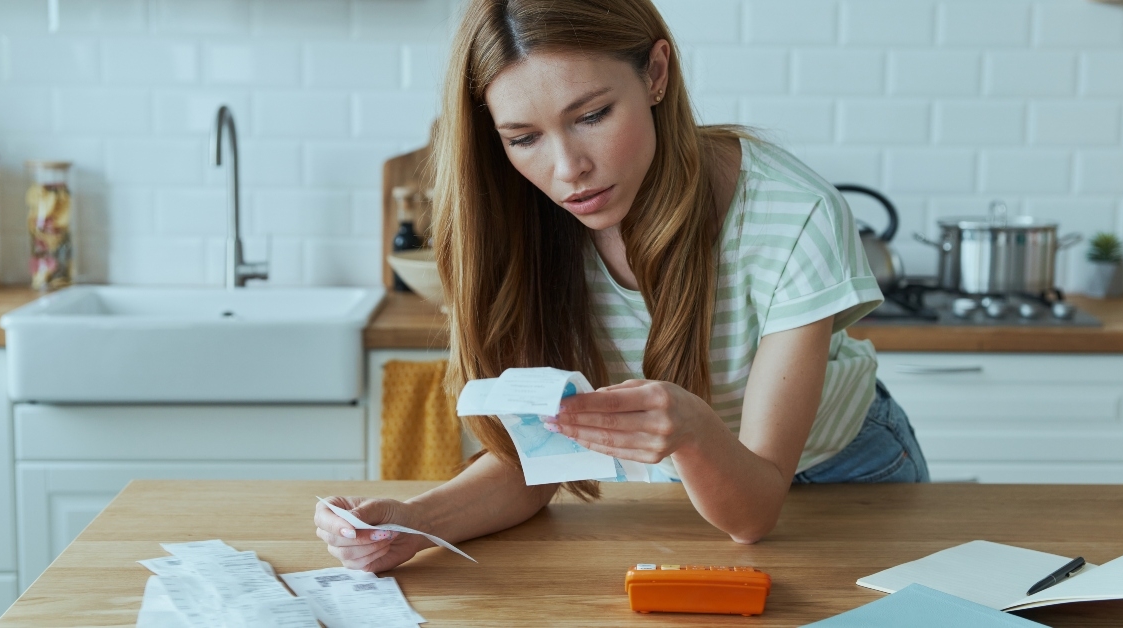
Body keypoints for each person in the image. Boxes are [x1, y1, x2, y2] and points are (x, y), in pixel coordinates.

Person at [315, 0, 929, 573]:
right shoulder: (515, 227)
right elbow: (537, 463)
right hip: (679, 495)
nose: (567, 170)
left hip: (848, 477)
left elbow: (753, 511)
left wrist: (689, 427)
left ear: (656, 73)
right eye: (524, 138)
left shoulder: (792, 212)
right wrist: (413, 523)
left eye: (591, 116)